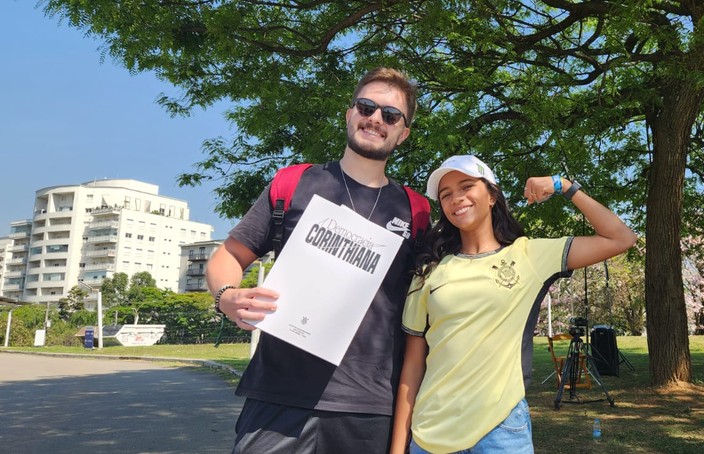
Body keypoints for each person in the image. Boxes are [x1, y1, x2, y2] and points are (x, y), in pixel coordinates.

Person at [206, 67, 425, 453]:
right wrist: (226, 295)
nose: (375, 119)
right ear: (349, 113)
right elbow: (229, 254)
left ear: (403, 133)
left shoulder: (416, 210)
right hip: (279, 393)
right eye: (366, 107)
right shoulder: (295, 182)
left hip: (369, 405)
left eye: (390, 115)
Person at [390, 155, 638, 453]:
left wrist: (564, 186)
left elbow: (621, 238)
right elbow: (413, 365)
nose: (456, 198)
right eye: (446, 194)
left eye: (467, 186)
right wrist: (398, 448)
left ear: (492, 195)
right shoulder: (427, 272)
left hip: (501, 433)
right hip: (431, 434)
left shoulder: (530, 256)